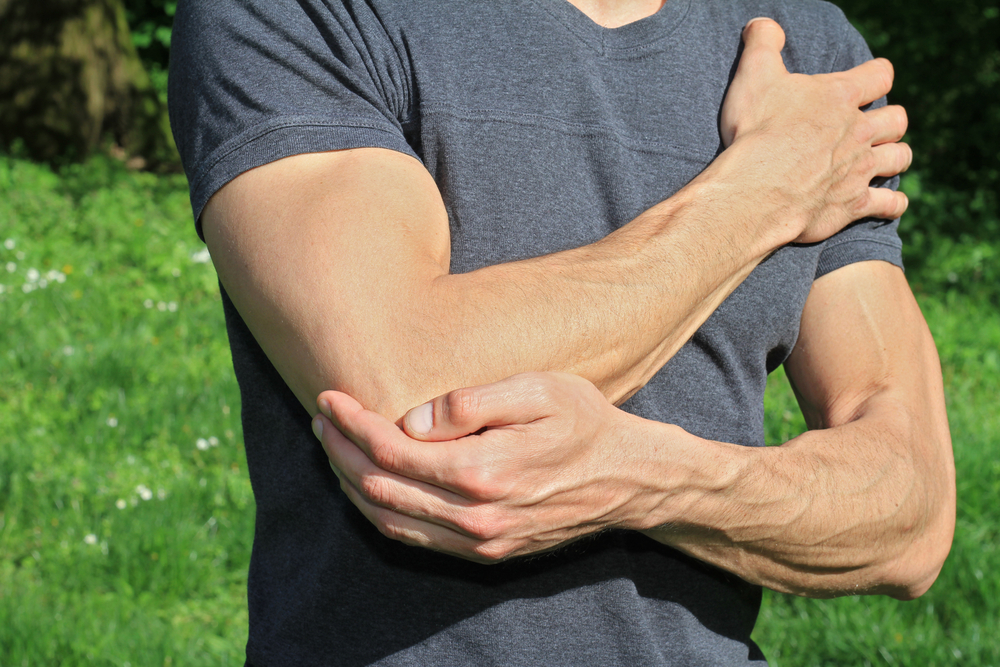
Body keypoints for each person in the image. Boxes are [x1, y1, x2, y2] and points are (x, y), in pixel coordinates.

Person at [168, 0, 955, 664]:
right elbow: (412, 396)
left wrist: (651, 477)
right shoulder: (300, 13)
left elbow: (911, 508)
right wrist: (760, 192)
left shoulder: (803, 55)